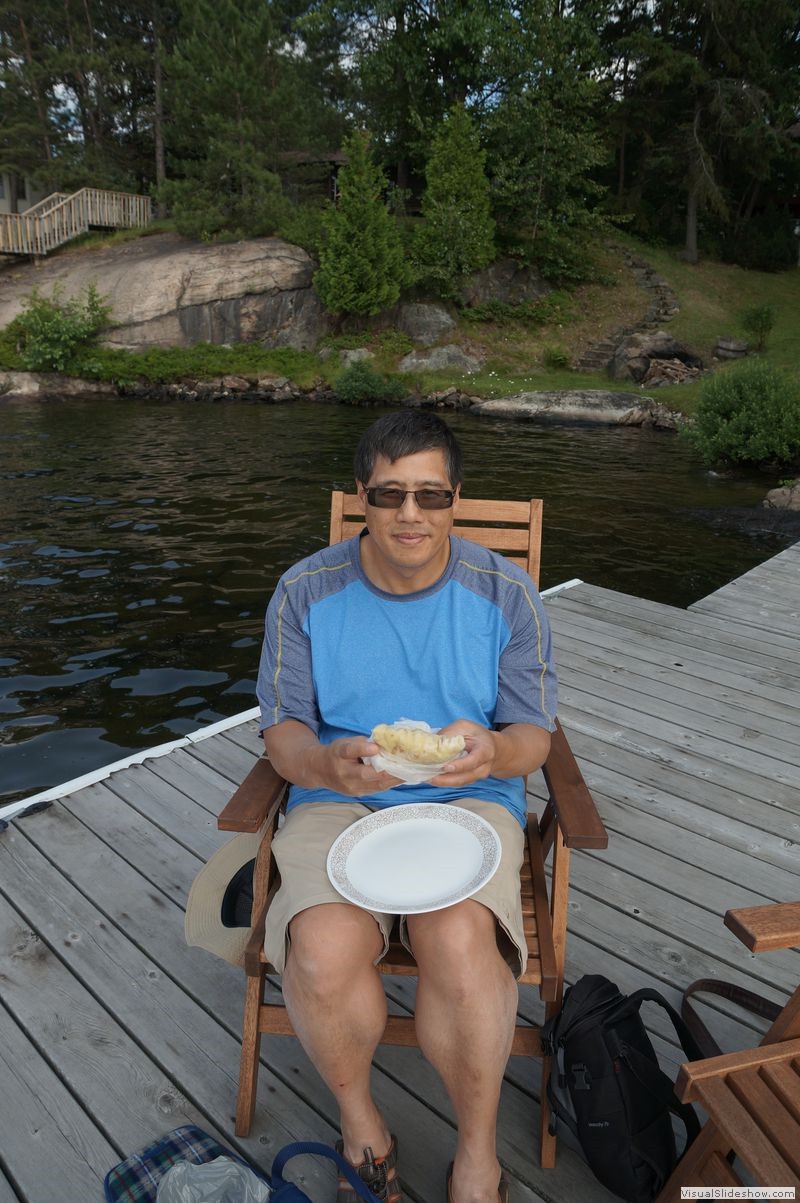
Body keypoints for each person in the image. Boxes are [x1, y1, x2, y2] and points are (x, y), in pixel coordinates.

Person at [256, 411, 557, 1203]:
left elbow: (533, 734)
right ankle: (362, 1127)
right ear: (362, 495)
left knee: (456, 941)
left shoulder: (505, 592)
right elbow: (284, 731)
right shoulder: (304, 591)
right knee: (321, 949)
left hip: (470, 797)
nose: (410, 513)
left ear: (457, 496)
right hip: (340, 793)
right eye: (390, 494)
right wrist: (322, 762)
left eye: (430, 494)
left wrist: (496, 752)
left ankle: (477, 1156)